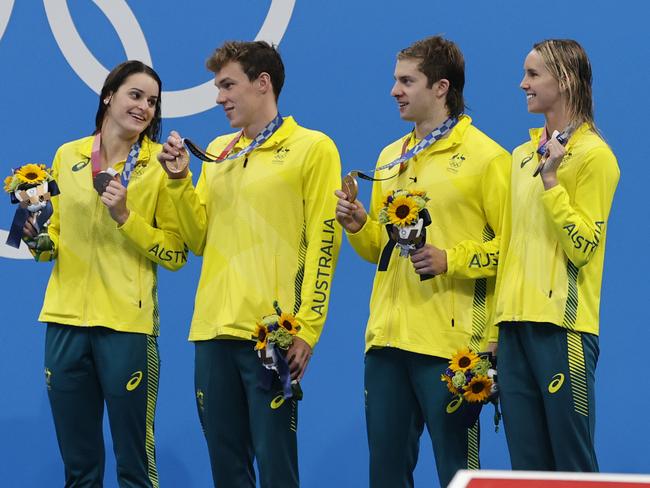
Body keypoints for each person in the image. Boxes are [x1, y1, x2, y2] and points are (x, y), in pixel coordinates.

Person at [157, 40, 341, 487]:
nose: (219, 97)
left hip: (270, 335)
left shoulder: (313, 148)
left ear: (263, 83)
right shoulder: (218, 151)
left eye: (227, 85)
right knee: (227, 470)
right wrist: (181, 181)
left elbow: (324, 243)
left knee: (277, 468)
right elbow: (200, 239)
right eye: (218, 87)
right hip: (211, 332)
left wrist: (308, 328)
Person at [334, 36, 510, 488]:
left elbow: (513, 250)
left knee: (460, 476)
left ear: (440, 87)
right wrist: (358, 225)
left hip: (452, 350)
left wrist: (452, 259)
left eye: (406, 81)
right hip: (388, 342)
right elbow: (382, 250)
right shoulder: (390, 156)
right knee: (386, 475)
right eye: (396, 80)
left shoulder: (488, 159)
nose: (395, 90)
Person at [23, 60, 187, 487]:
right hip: (64, 322)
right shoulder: (68, 155)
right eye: (136, 95)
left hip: (126, 327)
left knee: (134, 467)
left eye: (152, 102)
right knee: (79, 469)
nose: (145, 107)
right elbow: (51, 242)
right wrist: (35, 235)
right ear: (109, 95)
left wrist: (124, 216)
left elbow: (175, 253)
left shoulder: (159, 167)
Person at [493, 39, 619, 472]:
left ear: (563, 81)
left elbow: (583, 247)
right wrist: (495, 331)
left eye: (532, 75)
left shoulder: (594, 157)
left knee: (572, 467)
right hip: (513, 331)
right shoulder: (521, 155)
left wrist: (552, 182)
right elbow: (509, 246)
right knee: (526, 469)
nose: (522, 83)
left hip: (562, 331)